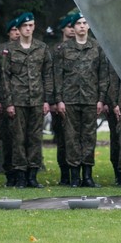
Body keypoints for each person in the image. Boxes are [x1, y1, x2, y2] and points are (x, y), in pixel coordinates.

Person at [54, 13, 108, 188]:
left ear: (89, 26)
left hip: (91, 99)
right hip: (69, 100)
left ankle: (87, 176)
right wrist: (59, 100)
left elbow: (102, 76)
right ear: (74, 27)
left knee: (89, 138)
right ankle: (75, 176)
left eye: (85, 23)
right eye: (78, 23)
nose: (82, 26)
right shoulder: (64, 48)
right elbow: (58, 76)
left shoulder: (97, 48)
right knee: (71, 138)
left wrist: (101, 99)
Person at [1, 12, 53, 188]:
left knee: (35, 138)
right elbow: (5, 78)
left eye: (31, 25)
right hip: (18, 101)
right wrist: (8, 102)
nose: (28, 29)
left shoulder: (42, 48)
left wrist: (47, 100)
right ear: (19, 28)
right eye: (25, 26)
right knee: (18, 139)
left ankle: (32, 174)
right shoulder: (9, 49)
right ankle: (20, 175)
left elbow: (47, 75)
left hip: (37, 100)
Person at [0, 17, 21, 185]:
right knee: (7, 138)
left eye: (19, 29)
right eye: (14, 30)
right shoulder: (0, 50)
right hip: (4, 102)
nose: (17, 33)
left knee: (22, 138)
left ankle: (21, 172)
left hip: (22, 100)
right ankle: (8, 171)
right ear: (8, 33)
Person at [51, 14, 76, 185]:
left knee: (76, 138)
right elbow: (52, 76)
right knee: (63, 139)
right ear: (63, 29)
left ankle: (76, 173)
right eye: (69, 26)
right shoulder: (56, 50)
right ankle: (65, 173)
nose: (72, 29)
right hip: (60, 102)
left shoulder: (83, 47)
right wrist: (53, 101)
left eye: (73, 26)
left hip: (77, 99)